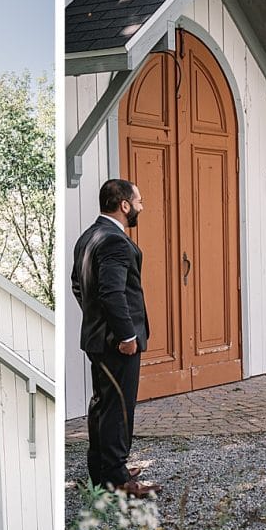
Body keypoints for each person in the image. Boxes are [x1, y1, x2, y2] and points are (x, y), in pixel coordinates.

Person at [72, 178, 161, 496]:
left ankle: (104, 470)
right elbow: (111, 292)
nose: (141, 206)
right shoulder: (114, 241)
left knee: (103, 405)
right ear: (124, 205)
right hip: (116, 342)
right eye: (138, 201)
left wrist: (95, 318)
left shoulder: (88, 238)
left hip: (98, 338)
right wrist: (125, 334)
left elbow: (78, 287)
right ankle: (117, 480)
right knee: (118, 408)